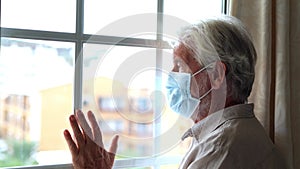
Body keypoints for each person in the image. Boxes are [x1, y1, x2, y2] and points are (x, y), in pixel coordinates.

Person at [63, 16, 286, 169]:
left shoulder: (222, 149)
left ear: (217, 75)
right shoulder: (231, 135)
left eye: (180, 66)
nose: (170, 75)